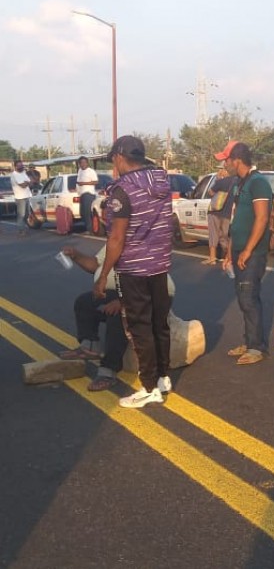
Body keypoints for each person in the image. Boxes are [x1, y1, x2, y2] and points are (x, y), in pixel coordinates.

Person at [95, 135, 173, 408]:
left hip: (135, 268)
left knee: (140, 329)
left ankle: (149, 387)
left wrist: (104, 274)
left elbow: (117, 238)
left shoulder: (121, 191)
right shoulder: (162, 179)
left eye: (113, 160)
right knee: (158, 324)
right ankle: (163, 376)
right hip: (159, 265)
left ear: (119, 157)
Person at [59, 244, 176, 392]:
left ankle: (108, 370)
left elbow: (147, 284)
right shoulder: (115, 241)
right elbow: (96, 264)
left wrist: (123, 301)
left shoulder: (141, 243)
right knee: (84, 302)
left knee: (118, 315)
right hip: (119, 291)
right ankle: (89, 346)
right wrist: (75, 255)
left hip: (150, 296)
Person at [216, 140, 274, 366]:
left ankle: (257, 348)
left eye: (226, 160)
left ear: (237, 160)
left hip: (253, 252)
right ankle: (250, 341)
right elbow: (236, 219)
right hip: (239, 249)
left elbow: (261, 218)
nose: (225, 164)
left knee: (249, 298)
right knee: (243, 297)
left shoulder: (258, 183)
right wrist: (230, 251)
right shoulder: (240, 183)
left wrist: (248, 250)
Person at [203, 167, 237, 264]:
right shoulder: (237, 182)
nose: (220, 171)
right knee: (224, 235)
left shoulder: (221, 182)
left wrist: (217, 179)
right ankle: (228, 256)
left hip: (215, 211)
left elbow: (210, 193)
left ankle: (212, 258)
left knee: (213, 234)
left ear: (225, 170)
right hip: (227, 213)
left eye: (221, 169)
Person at [76, 156, 99, 233]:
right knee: (83, 212)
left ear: (87, 163)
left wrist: (84, 183)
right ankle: (88, 227)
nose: (83, 164)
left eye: (84, 162)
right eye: (81, 163)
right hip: (81, 194)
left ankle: (90, 229)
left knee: (88, 212)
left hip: (88, 194)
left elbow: (95, 181)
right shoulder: (80, 171)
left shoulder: (91, 171)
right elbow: (78, 182)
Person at [9, 160, 31, 235]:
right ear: (15, 167)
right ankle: (21, 230)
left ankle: (22, 227)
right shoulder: (14, 175)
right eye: (19, 165)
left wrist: (27, 182)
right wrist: (27, 182)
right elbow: (23, 185)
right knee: (21, 215)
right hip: (20, 197)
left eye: (21, 165)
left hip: (27, 195)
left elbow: (30, 181)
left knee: (27, 214)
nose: (21, 166)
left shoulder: (24, 173)